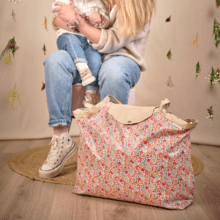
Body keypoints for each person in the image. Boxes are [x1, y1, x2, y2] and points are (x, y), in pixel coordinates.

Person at [39, 0, 157, 179]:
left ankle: (110, 146)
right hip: (87, 56)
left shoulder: (138, 5)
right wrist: (70, 20)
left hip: (121, 58)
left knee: (113, 72)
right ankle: (61, 138)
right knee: (55, 61)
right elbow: (59, 19)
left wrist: (78, 22)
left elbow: (111, 41)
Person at [52, 0, 110, 108]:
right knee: (71, 42)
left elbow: (106, 21)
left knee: (95, 58)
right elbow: (58, 13)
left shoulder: (99, 3)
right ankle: (83, 70)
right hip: (68, 34)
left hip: (88, 39)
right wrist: (70, 16)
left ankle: (90, 92)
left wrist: (100, 18)